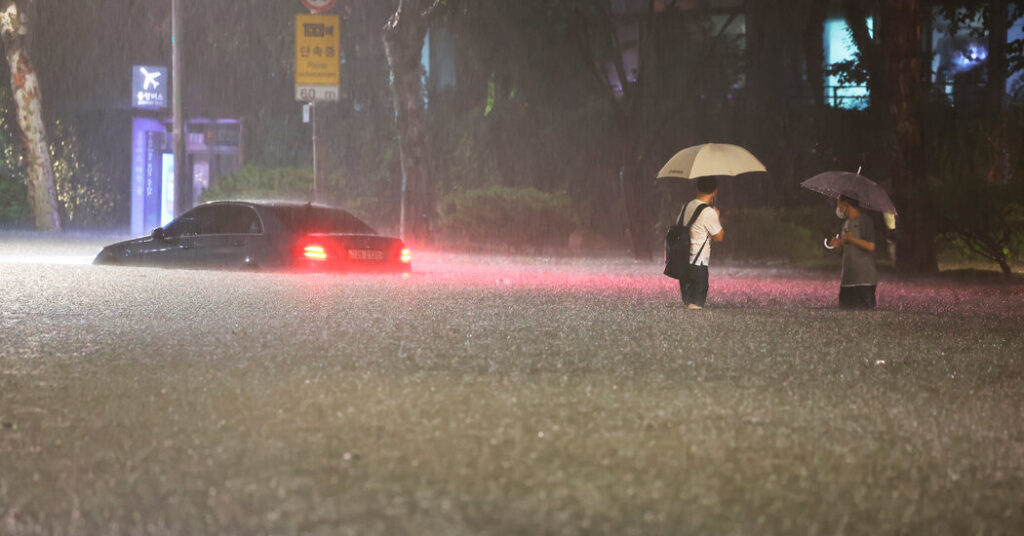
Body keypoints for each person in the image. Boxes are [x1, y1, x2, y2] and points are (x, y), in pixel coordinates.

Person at [679, 176, 724, 309]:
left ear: (697, 189)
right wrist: (717, 217)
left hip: (683, 262)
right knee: (696, 305)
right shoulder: (709, 212)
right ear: (715, 191)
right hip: (698, 264)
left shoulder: (686, 206)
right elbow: (719, 237)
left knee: (688, 303)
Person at [828, 195, 878, 309]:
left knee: (865, 314)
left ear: (845, 204)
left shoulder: (865, 220)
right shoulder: (845, 224)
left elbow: (871, 246)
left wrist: (851, 239)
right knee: (844, 312)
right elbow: (846, 250)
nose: (838, 208)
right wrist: (838, 245)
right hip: (848, 280)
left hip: (864, 281)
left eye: (838, 204)